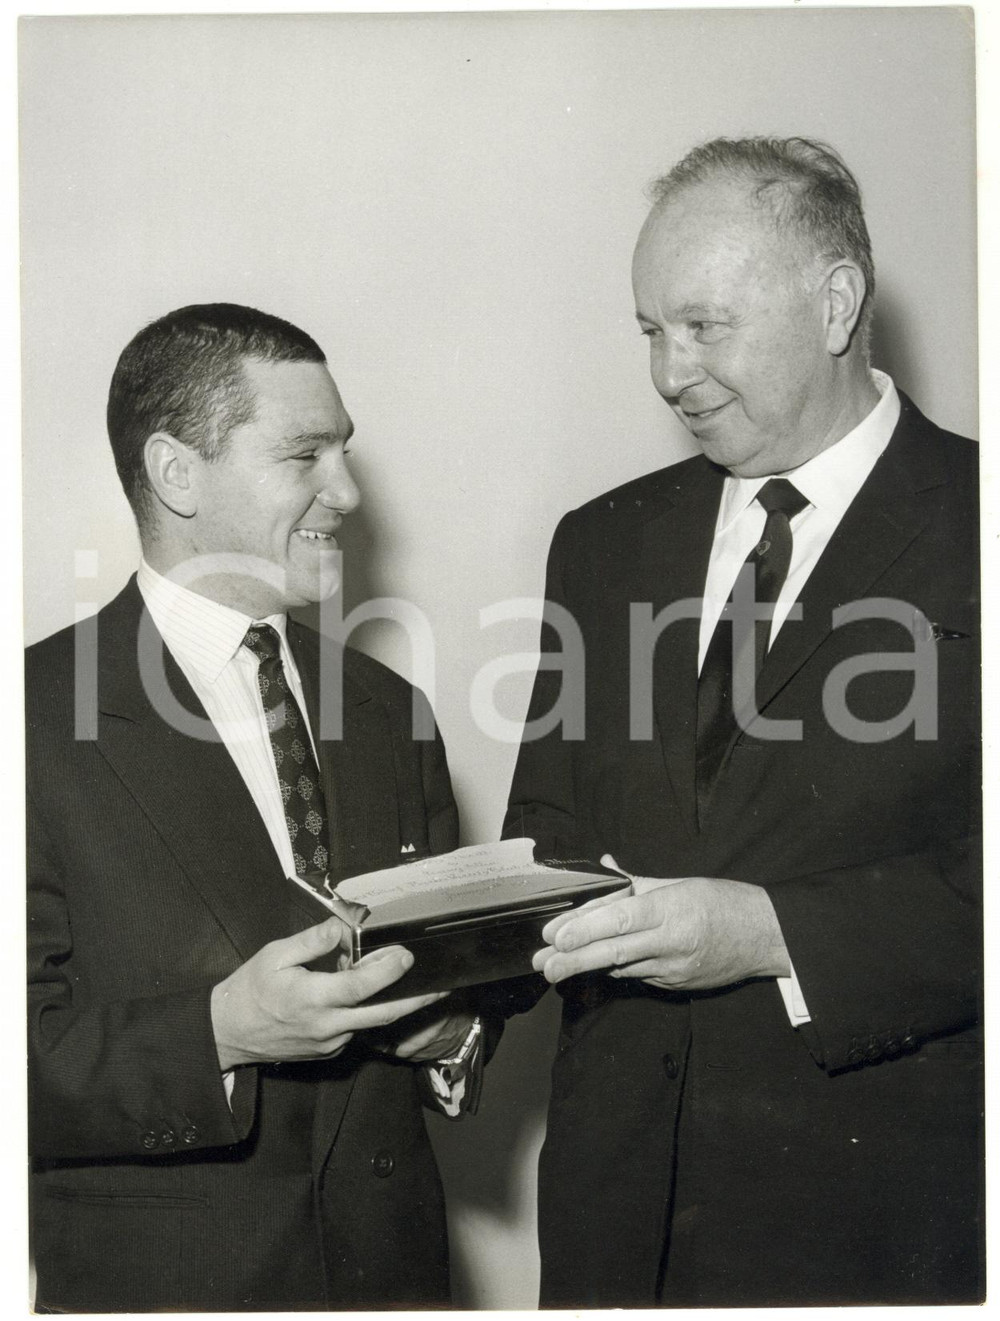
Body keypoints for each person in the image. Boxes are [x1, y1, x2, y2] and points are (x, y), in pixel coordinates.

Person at [505, 138, 982, 1307]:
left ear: (835, 304)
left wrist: (778, 935)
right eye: (649, 330)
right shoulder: (602, 541)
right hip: (614, 1224)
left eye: (704, 327)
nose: (670, 373)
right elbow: (547, 828)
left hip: (881, 1226)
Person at [27, 303, 486, 1311]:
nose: (350, 491)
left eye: (346, 451)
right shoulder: (32, 722)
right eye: (304, 455)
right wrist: (219, 1033)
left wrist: (451, 1036)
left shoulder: (386, 708)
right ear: (175, 473)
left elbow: (457, 980)